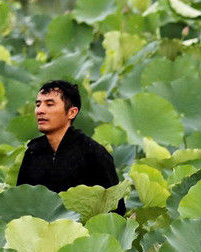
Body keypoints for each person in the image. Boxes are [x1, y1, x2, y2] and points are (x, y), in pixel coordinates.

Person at [16, 80, 126, 215]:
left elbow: (115, 210)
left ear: (72, 112)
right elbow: (20, 203)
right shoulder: (32, 153)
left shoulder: (93, 153)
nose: (40, 110)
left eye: (49, 104)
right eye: (38, 105)